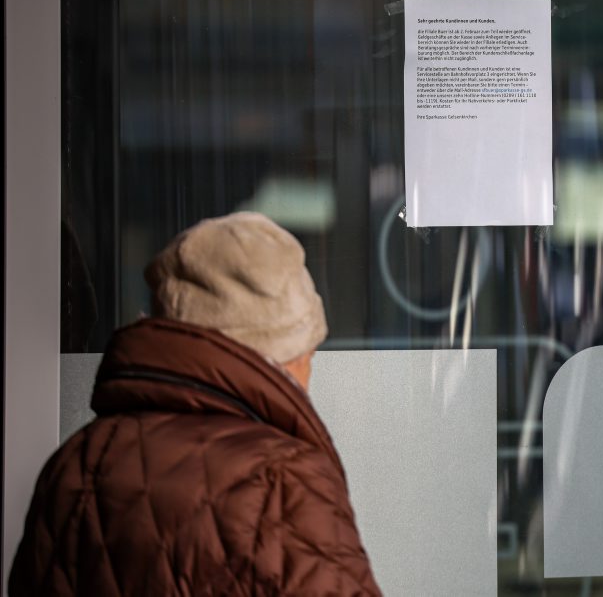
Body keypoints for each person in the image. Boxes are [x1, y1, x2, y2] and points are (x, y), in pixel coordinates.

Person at [9, 212, 381, 596]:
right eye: (309, 353)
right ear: (279, 355)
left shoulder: (76, 466)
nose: (308, 375)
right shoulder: (283, 481)